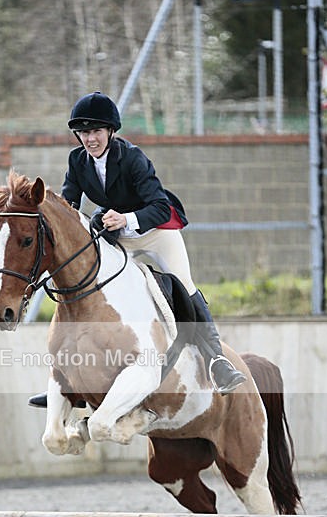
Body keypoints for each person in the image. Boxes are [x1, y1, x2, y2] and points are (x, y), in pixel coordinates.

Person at [28, 91, 246, 407]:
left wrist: (127, 218)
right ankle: (66, 381)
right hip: (117, 234)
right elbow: (69, 205)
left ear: (110, 132)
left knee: (183, 286)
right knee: (91, 286)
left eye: (96, 132)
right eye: (84, 133)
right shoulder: (77, 160)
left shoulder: (133, 158)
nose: (90, 139)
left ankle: (217, 362)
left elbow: (158, 205)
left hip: (155, 230)